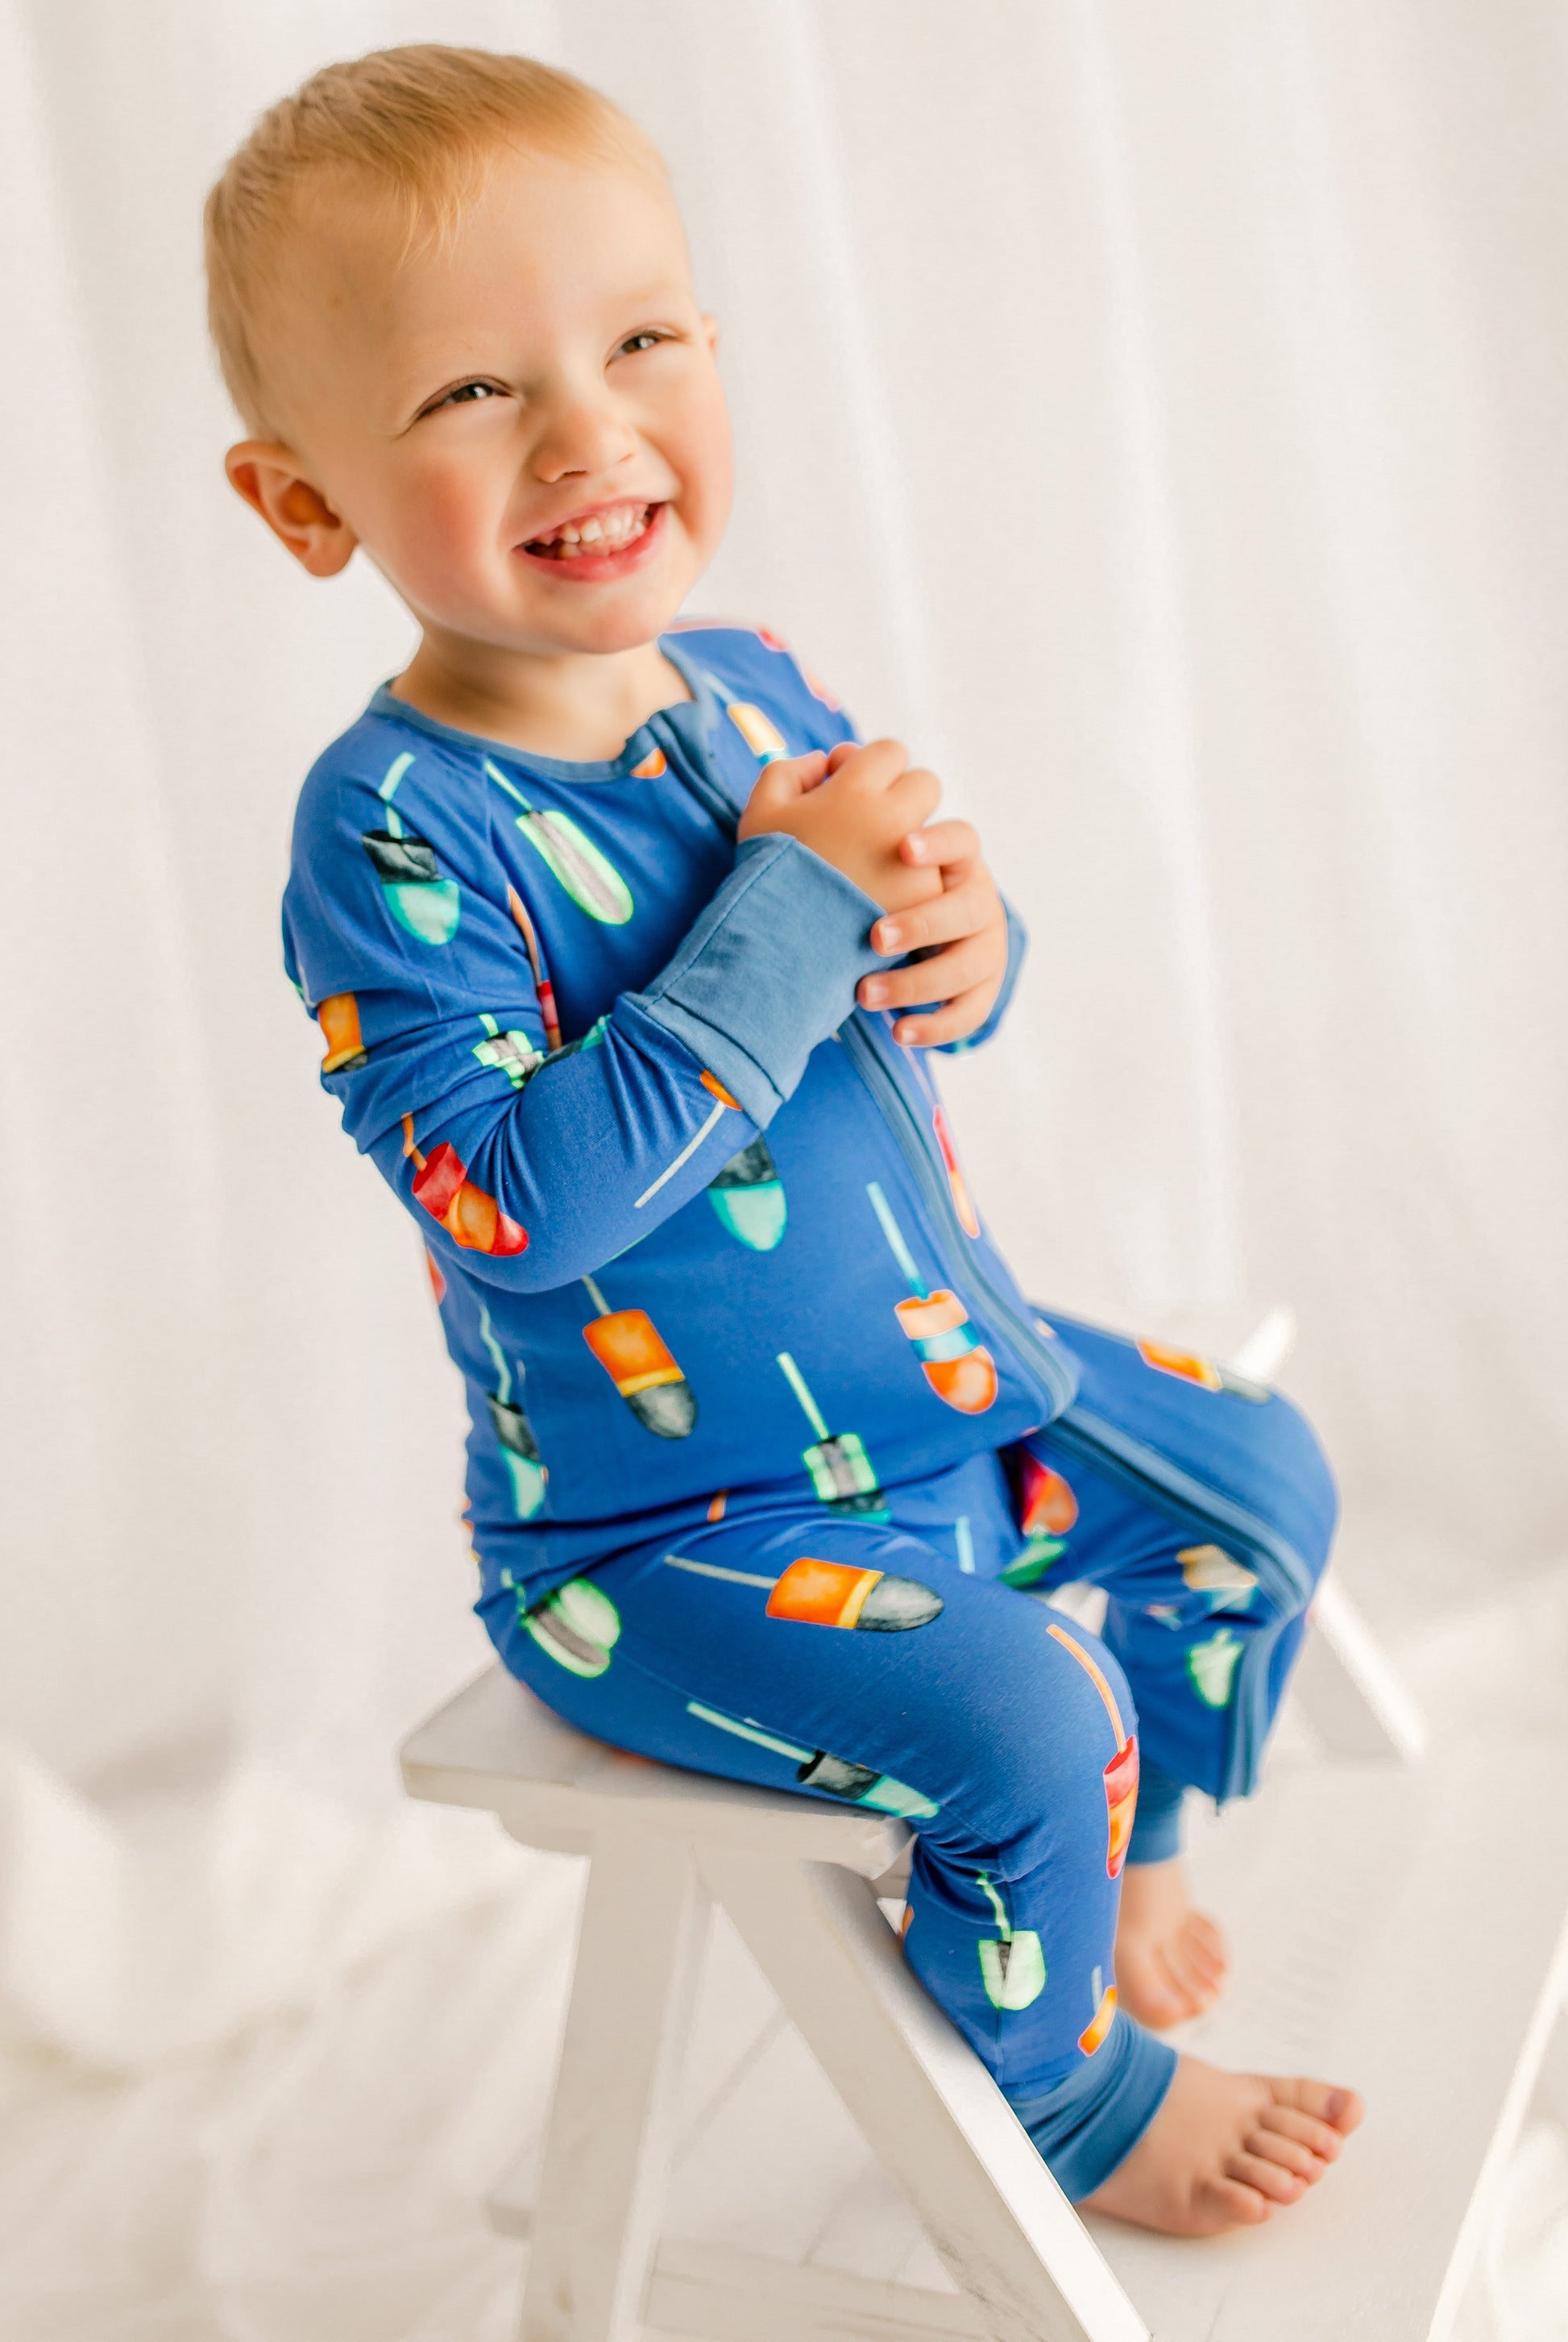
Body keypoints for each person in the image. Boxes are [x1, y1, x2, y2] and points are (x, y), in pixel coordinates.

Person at [207, 44, 1362, 2232]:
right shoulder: (391, 828)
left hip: (950, 1382)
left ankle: (1127, 1843)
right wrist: (798, 898)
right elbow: (519, 1201)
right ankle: (1064, 2090)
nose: (584, 427)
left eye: (638, 338)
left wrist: (956, 926)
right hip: (662, 1530)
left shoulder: (749, 682)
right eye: (467, 393)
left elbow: (947, 992)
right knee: (1019, 1710)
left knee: (1260, 1487)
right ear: (306, 502)